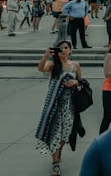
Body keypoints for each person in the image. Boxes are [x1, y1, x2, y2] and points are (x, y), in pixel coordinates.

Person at [36, 40, 84, 175]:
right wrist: (45, 55)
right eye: (60, 48)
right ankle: (55, 164)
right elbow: (40, 69)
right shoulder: (53, 65)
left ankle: (58, 150)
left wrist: (76, 82)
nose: (63, 50)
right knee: (55, 134)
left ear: (70, 50)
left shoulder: (76, 66)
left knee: (66, 134)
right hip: (54, 105)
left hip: (69, 106)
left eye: (66, 47)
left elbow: (82, 85)